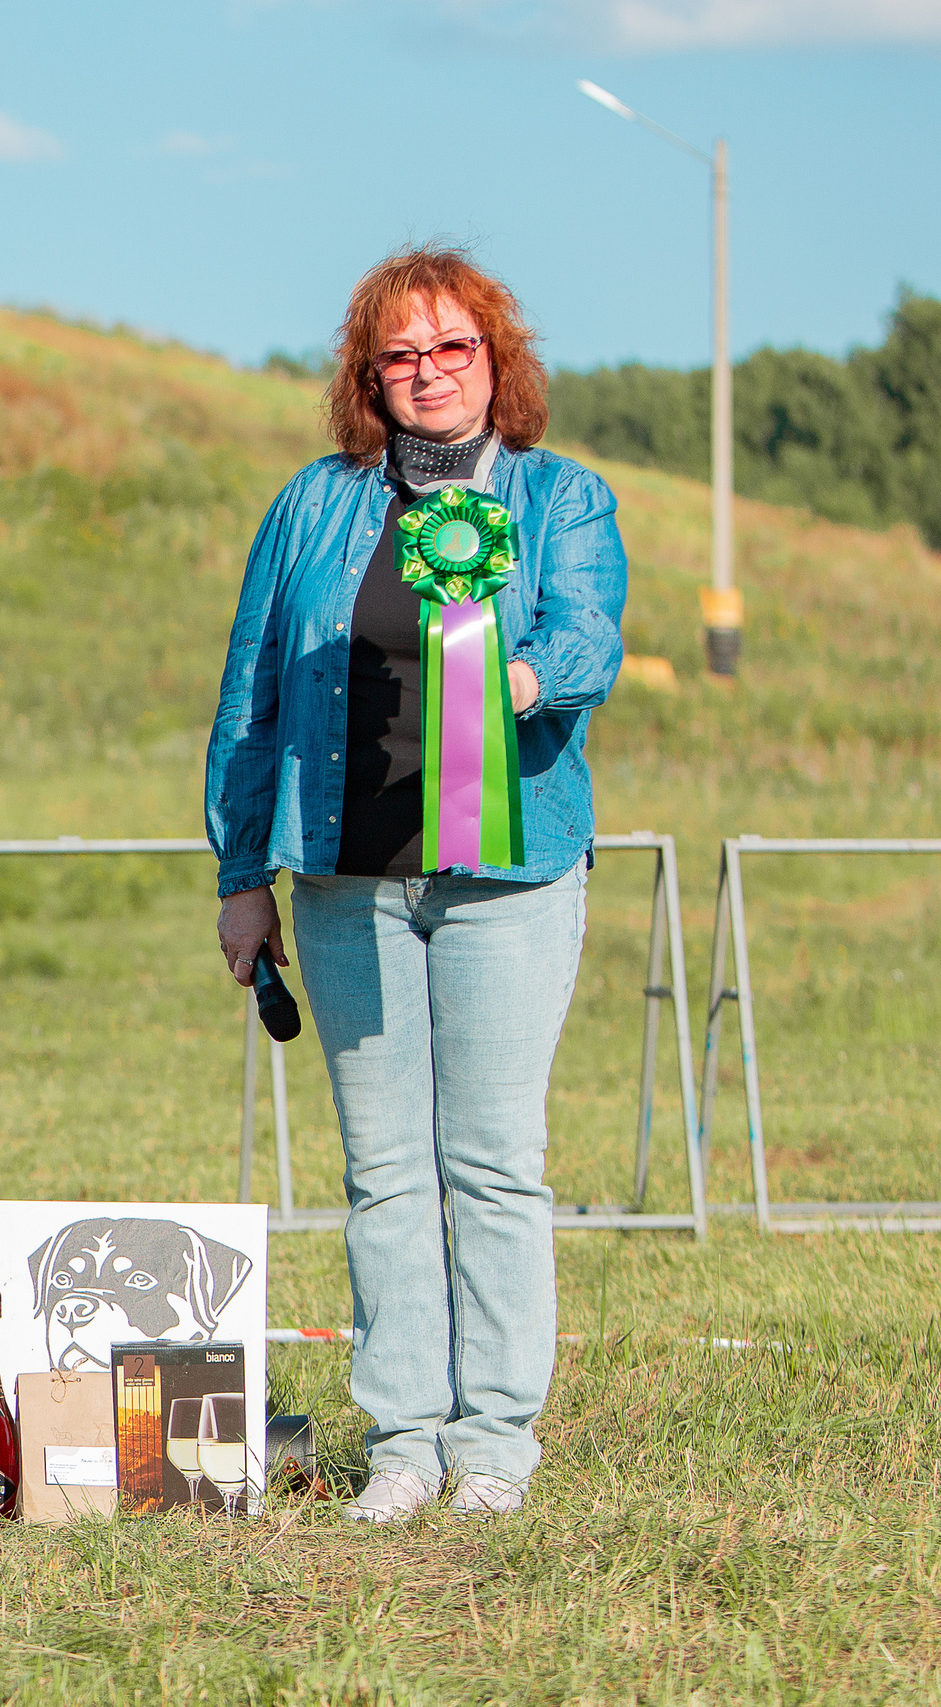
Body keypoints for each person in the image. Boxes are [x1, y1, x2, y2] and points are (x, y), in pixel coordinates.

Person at [204, 245, 626, 1521]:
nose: (428, 373)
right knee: (383, 1169)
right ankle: (403, 1441)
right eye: (401, 355)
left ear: (496, 363)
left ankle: (494, 1445)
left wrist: (518, 679)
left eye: (453, 349)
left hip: (508, 876)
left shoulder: (563, 499)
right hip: (345, 878)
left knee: (492, 1165)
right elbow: (249, 696)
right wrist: (240, 874)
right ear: (367, 377)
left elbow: (589, 633)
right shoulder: (311, 507)